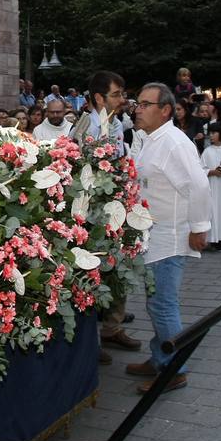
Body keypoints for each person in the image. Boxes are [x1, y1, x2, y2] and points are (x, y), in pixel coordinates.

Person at [125, 82, 209, 394]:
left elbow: (198, 185)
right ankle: (160, 356)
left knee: (163, 305)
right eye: (138, 103)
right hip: (153, 234)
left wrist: (200, 227)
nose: (138, 109)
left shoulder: (173, 142)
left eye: (146, 104)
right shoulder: (152, 139)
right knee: (155, 302)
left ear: (165, 110)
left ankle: (175, 369)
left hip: (169, 237)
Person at [71, 71, 139, 358]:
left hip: (116, 206)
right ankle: (91, 342)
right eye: (115, 94)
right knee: (93, 272)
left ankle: (112, 327)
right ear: (99, 98)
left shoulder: (117, 123)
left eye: (122, 94)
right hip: (92, 213)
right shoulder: (86, 126)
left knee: (118, 267)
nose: (121, 100)